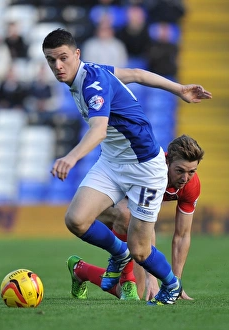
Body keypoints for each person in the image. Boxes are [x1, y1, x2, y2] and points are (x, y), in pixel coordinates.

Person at [42, 28, 212, 306]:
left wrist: (70, 158)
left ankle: (171, 284)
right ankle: (119, 254)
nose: (58, 66)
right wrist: (179, 89)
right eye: (51, 61)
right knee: (76, 220)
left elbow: (99, 130)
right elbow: (136, 74)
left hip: (145, 167)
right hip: (112, 161)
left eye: (63, 58)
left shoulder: (91, 84)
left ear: (77, 54)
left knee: (142, 251)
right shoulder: (91, 72)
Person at [66, 134, 204, 301]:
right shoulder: (150, 168)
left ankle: (80, 270)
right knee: (127, 214)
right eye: (180, 171)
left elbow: (182, 236)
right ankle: (125, 275)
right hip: (106, 208)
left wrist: (175, 283)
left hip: (134, 220)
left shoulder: (191, 185)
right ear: (167, 163)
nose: (185, 178)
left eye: (191, 172)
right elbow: (145, 225)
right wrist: (152, 279)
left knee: (135, 295)